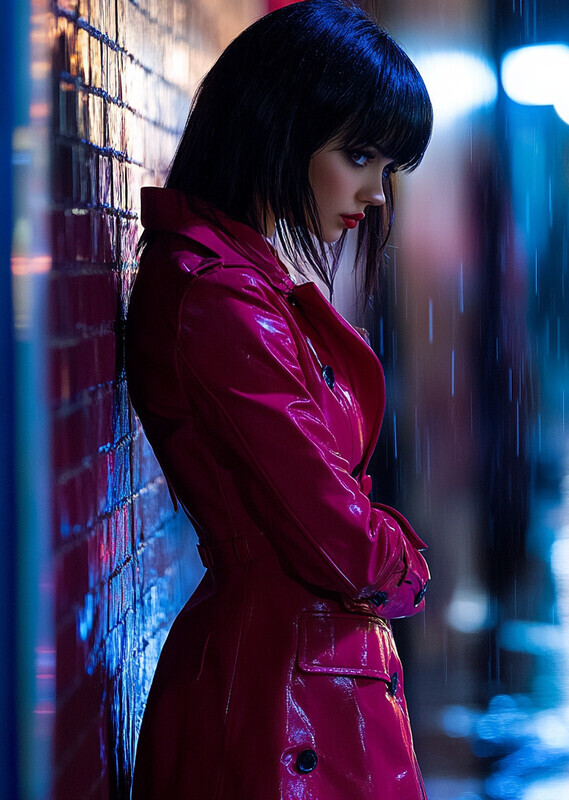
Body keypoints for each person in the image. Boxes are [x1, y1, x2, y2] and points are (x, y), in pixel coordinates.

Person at [125, 2, 433, 798]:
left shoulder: (239, 284)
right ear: (277, 129)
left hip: (300, 674)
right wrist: (405, 562)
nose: (374, 193)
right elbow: (340, 540)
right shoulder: (222, 299)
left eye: (386, 165)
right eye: (357, 154)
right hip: (285, 699)